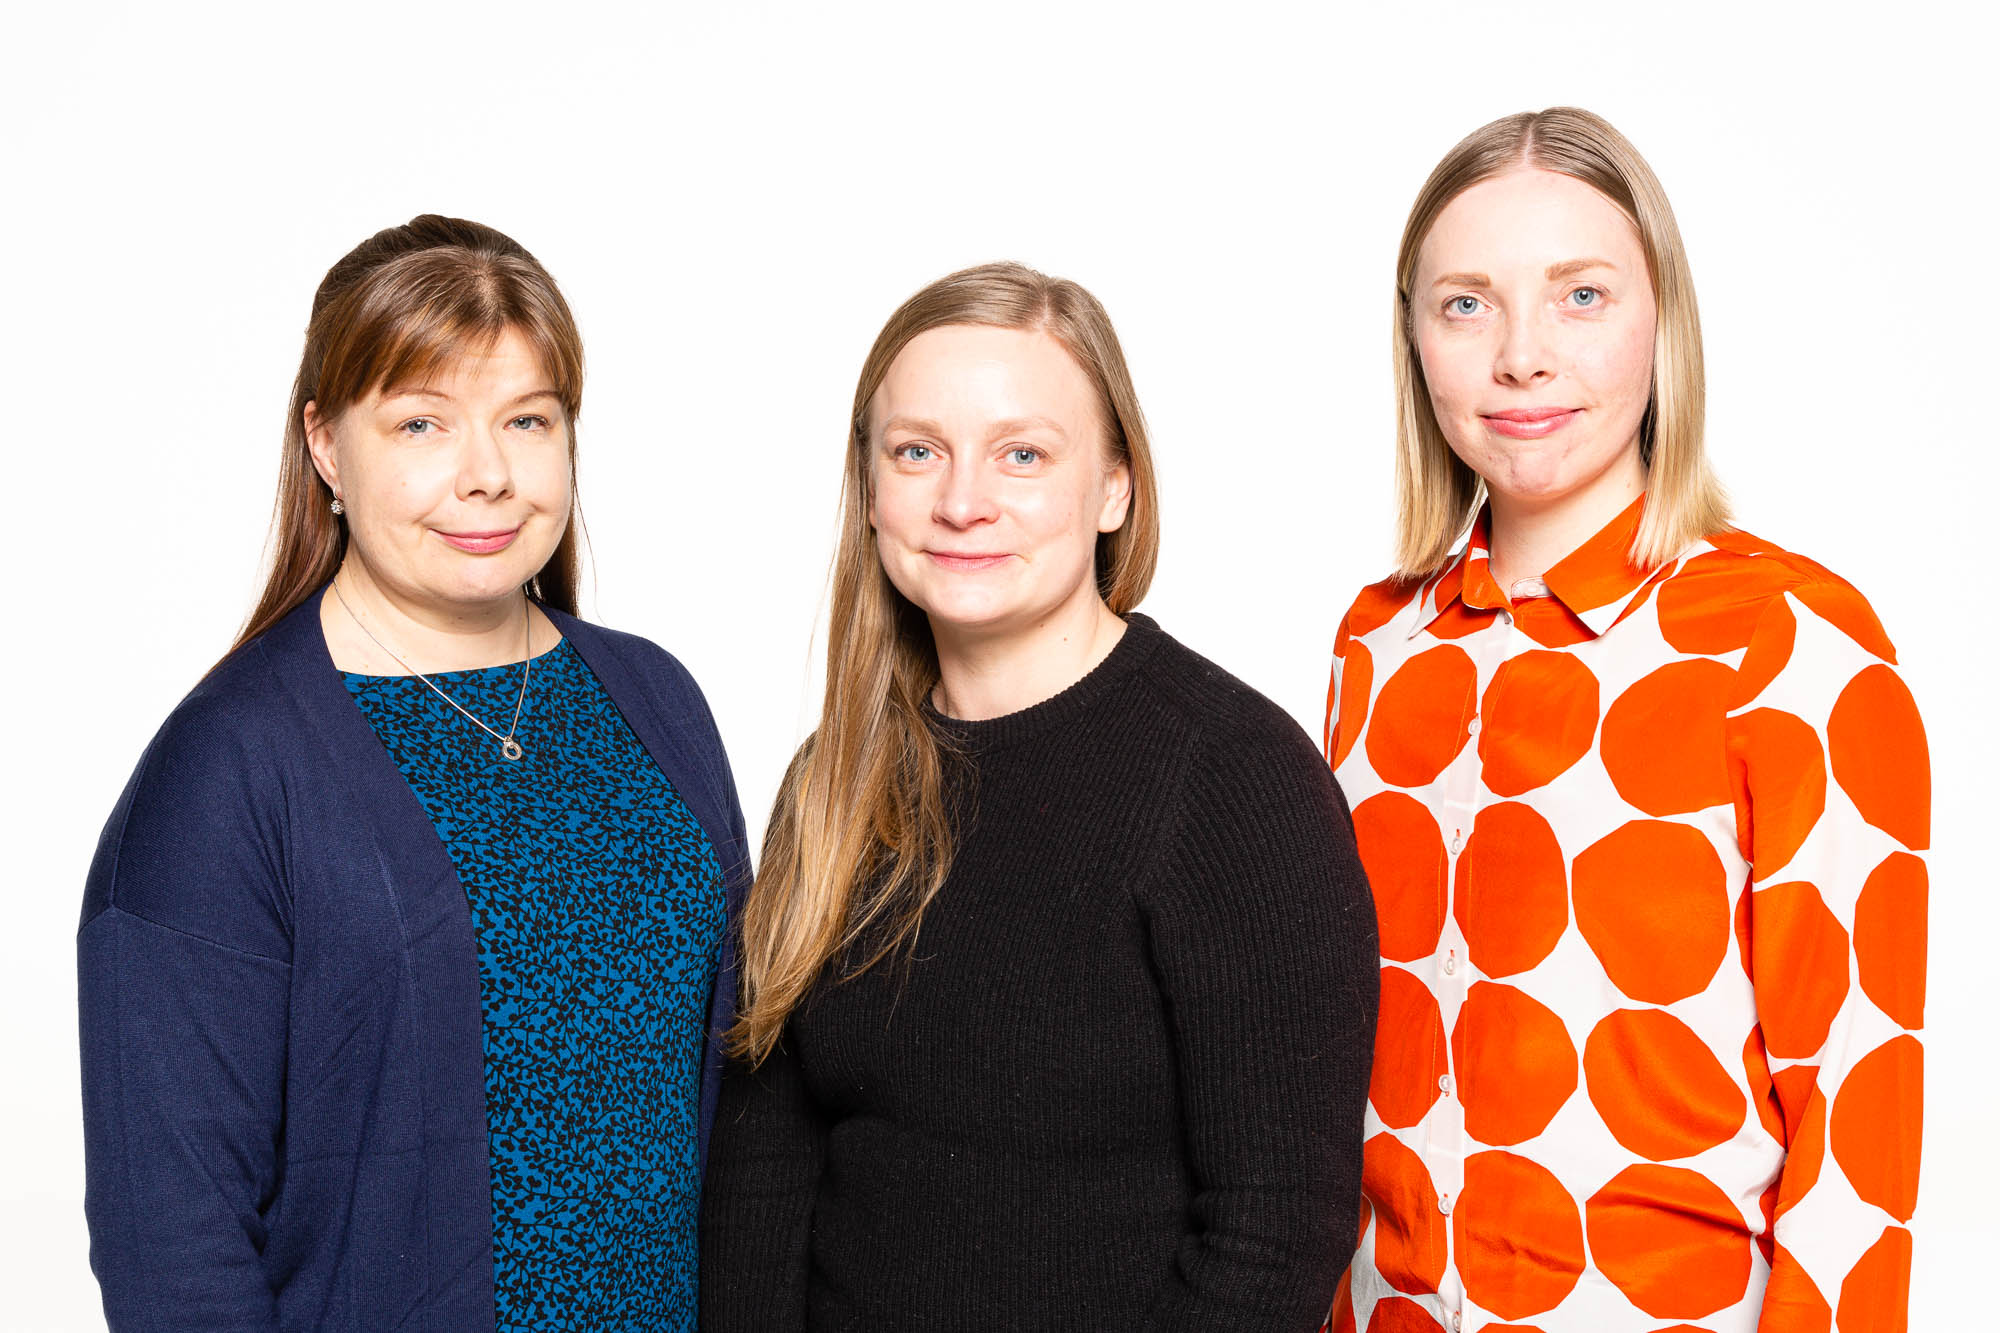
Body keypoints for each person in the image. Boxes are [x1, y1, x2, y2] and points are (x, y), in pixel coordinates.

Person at [78, 215, 751, 1332]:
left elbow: (747, 1104)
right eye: (421, 423)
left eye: (527, 420)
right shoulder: (228, 774)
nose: (486, 476)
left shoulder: (655, 701)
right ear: (325, 445)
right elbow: (172, 1245)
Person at [1323, 108, 1928, 1332]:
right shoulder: (1374, 645)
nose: (1521, 356)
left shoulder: (1790, 640)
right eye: (1465, 304)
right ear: (1412, 338)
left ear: (1663, 323)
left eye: (1580, 296)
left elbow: (1854, 1119)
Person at [701, 262, 1378, 1330]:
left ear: (1114, 488)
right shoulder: (833, 781)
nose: (962, 501)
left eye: (1022, 453)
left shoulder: (1234, 781)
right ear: (869, 490)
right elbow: (763, 1178)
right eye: (917, 451)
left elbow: (1274, 1228)